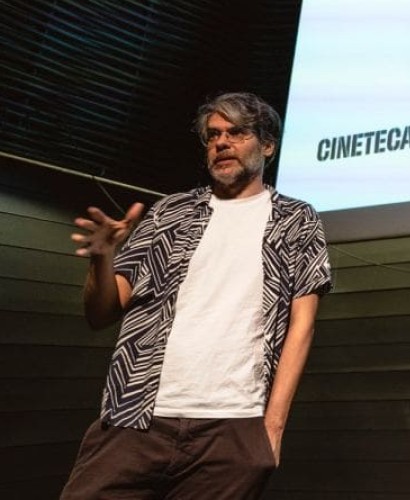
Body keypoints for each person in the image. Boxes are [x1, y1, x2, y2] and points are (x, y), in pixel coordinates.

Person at [60, 92, 333, 500]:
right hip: (135, 416)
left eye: (236, 133)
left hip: (233, 427)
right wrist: (102, 258)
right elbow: (101, 312)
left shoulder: (296, 218)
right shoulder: (168, 212)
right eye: (213, 135)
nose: (222, 143)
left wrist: (272, 430)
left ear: (268, 146)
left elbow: (302, 326)